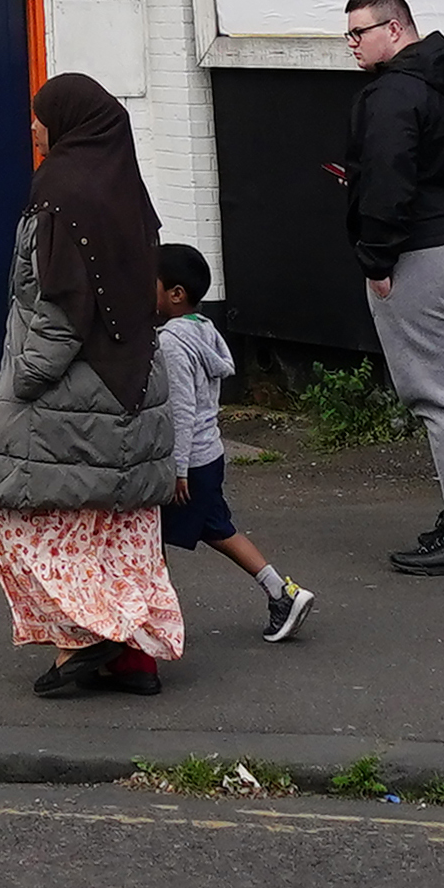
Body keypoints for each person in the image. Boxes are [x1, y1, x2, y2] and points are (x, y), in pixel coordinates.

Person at [0, 72, 182, 697]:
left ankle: (87, 638)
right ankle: (136, 661)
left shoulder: (58, 188)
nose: (32, 127)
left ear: (67, 122)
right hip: (136, 380)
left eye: (39, 116)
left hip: (73, 392)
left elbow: (59, 304)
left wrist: (23, 378)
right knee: (121, 523)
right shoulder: (126, 188)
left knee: (24, 518)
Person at [335, 0, 444, 576]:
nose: (352, 45)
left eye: (360, 33)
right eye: (349, 35)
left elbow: (388, 179)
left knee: (440, 399)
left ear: (395, 28)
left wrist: (376, 260)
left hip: (427, 256)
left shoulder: (391, 94)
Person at [147, 243, 311, 644]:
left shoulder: (171, 342)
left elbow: (182, 410)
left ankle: (153, 619)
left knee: (149, 537)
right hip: (210, 453)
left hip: (188, 463)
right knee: (216, 528)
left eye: (148, 283)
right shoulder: (204, 329)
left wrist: (178, 468)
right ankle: (282, 592)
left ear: (176, 293)